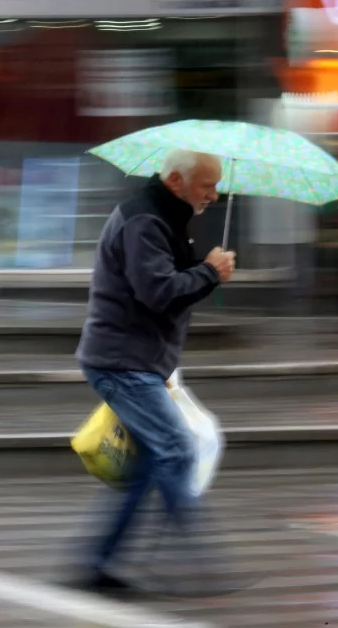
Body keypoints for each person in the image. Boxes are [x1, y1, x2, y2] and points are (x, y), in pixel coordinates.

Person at [73, 149, 236, 593]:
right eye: (207, 185)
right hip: (121, 362)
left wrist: (202, 271)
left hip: (133, 360)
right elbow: (158, 292)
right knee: (177, 450)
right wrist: (209, 271)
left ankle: (96, 563)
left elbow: (162, 292)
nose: (214, 194)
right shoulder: (145, 220)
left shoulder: (161, 216)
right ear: (178, 181)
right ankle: (195, 564)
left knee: (149, 465)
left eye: (217, 185)